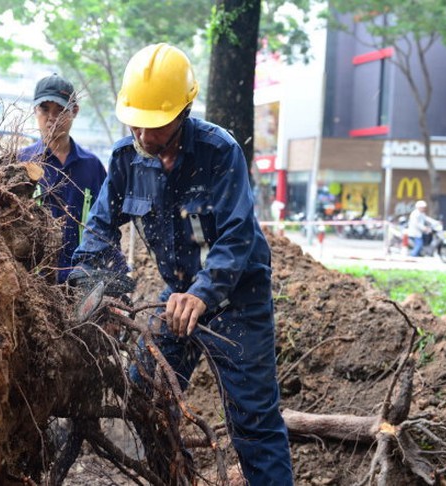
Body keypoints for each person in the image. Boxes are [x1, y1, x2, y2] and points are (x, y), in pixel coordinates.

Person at [71, 43, 293, 485]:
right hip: (176, 296)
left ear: (184, 111)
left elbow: (237, 236)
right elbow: (98, 230)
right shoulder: (126, 160)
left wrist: (203, 293)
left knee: (252, 422)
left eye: (156, 126)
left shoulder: (219, 152)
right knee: (144, 396)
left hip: (237, 300)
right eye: (137, 124)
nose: (144, 136)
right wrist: (97, 286)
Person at [18, 74, 108, 283]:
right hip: (34, 283)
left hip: (81, 281)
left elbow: (106, 226)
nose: (52, 118)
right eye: (45, 109)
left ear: (74, 111)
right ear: (35, 111)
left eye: (60, 110)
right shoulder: (21, 163)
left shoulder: (92, 166)